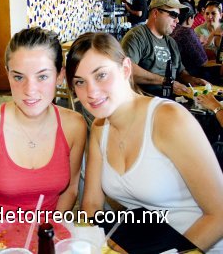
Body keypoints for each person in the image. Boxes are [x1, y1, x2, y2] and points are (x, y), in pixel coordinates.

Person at [65, 32, 223, 252]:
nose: (91, 92)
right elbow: (91, 205)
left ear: (126, 69)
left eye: (101, 75)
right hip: (147, 243)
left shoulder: (168, 120)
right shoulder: (101, 129)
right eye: (80, 82)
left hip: (198, 246)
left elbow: (219, 214)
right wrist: (90, 244)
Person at [0, 27, 87, 235]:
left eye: (42, 77)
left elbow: (71, 188)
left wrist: (49, 231)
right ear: (7, 74)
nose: (29, 90)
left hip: (48, 237)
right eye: (19, 77)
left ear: (60, 76)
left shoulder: (74, 125)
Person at [121, 0, 208, 97]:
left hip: (171, 100)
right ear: (156, 13)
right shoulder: (137, 36)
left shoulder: (171, 42)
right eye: (173, 15)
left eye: (178, 16)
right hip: (145, 102)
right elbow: (127, 69)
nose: (177, 20)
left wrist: (192, 80)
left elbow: (180, 72)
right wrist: (166, 81)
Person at [171, 3, 208, 76]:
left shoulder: (171, 30)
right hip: (186, 76)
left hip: (173, 72)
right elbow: (203, 62)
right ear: (189, 19)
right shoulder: (187, 32)